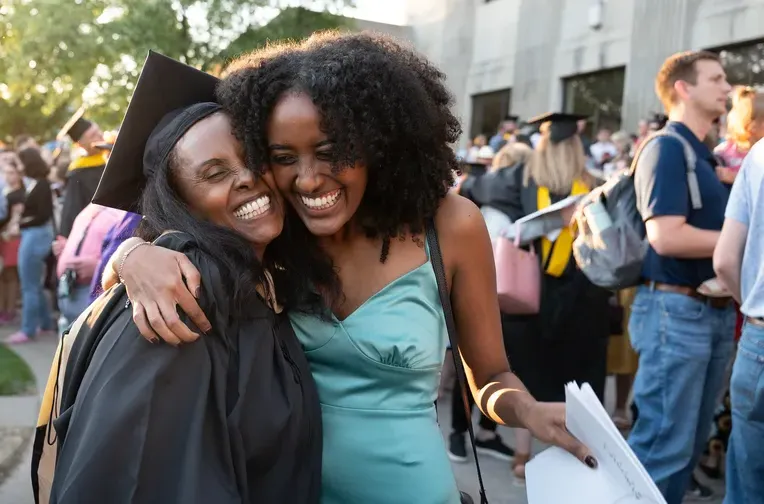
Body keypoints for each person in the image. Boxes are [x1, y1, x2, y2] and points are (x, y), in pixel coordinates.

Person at [103, 33, 596, 504]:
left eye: (330, 150)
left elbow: (490, 375)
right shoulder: (275, 232)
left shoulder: (448, 226)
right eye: (283, 157)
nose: (310, 179)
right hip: (284, 490)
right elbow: (150, 265)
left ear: (378, 143)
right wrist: (130, 256)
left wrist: (527, 410)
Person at [41, 52, 322, 504]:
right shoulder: (184, 295)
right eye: (214, 174)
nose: (249, 177)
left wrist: (128, 252)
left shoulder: (261, 282)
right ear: (182, 204)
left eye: (254, 156)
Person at [459, 111, 610, 481]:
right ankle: (582, 455)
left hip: (530, 297)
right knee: (579, 380)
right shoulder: (594, 184)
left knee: (524, 373)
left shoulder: (516, 179)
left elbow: (470, 188)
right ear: (578, 147)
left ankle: (523, 457)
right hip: (580, 297)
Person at [627, 50, 734, 504]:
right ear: (683, 88)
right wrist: (738, 244)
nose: (727, 88)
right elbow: (666, 237)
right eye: (717, 78)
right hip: (676, 312)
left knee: (684, 449)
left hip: (707, 313)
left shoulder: (702, 154)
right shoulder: (666, 148)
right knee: (661, 448)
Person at [713, 135, 764, 504]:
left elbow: (724, 260)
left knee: (747, 487)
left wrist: (752, 306)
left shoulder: (759, 154)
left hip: (758, 336)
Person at [6, 148, 55, 344]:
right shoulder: (36, 184)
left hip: (35, 235)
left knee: (28, 285)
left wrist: (20, 224)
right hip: (33, 234)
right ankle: (44, 323)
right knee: (33, 282)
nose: (19, 166)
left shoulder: (42, 185)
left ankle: (28, 329)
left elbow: (43, 215)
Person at [57, 109, 107, 237]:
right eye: (93, 135)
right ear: (81, 145)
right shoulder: (78, 173)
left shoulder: (109, 157)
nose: (100, 135)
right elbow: (72, 210)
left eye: (98, 130)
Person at [0, 155, 25, 323]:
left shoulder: (20, 194)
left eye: (12, 173)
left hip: (11, 237)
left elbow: (15, 219)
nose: (9, 176)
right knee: (4, 275)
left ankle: (9, 310)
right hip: (3, 236)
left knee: (10, 274)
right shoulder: (6, 192)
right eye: (6, 173)